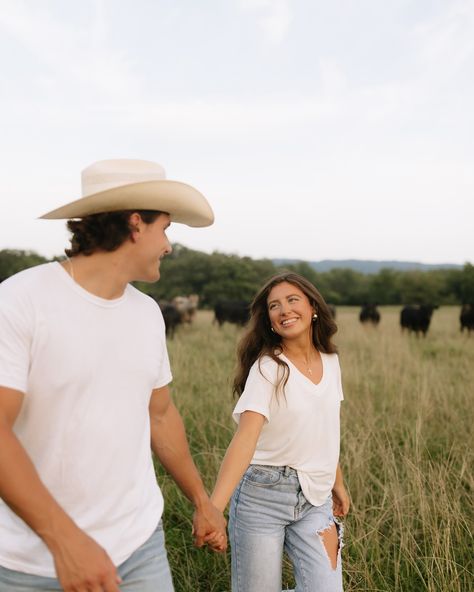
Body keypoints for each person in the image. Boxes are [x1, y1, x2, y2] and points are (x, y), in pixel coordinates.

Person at [0, 159, 226, 592]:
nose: (169, 246)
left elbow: (160, 414)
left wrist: (202, 501)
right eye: (166, 229)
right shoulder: (20, 301)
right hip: (31, 564)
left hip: (139, 548)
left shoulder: (147, 314)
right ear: (136, 225)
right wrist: (65, 541)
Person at [211, 271, 350, 592]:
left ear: (313, 306)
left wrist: (337, 483)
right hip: (263, 496)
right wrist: (213, 509)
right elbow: (245, 439)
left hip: (316, 498)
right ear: (269, 320)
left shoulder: (331, 362)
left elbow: (326, 430)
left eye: (292, 300)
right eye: (274, 306)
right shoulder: (269, 367)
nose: (284, 310)